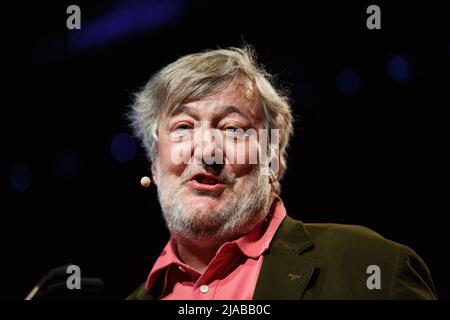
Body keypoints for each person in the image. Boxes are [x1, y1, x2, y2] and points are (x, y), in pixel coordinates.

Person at [126, 46, 437, 300]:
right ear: (155, 163)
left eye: (232, 129)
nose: (206, 149)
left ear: (272, 158)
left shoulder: (373, 267)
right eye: (183, 127)